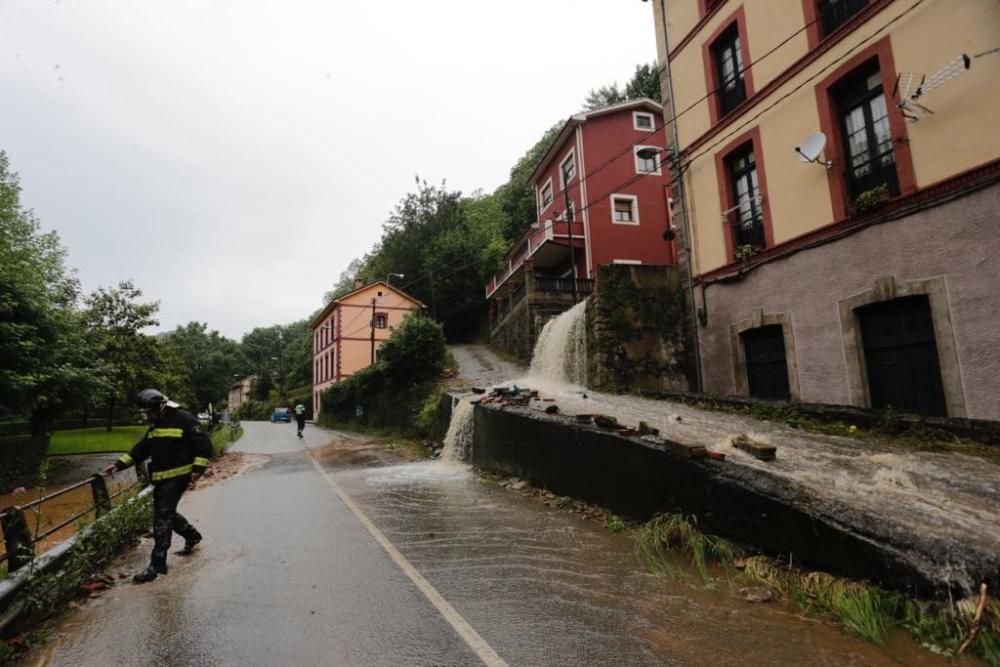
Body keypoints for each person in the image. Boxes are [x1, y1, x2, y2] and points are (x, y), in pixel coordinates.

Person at [104, 389, 212, 584]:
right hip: (161, 477)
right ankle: (192, 535)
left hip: (179, 476)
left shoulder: (184, 420)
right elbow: (142, 449)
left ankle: (157, 565)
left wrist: (198, 470)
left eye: (149, 412)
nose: (147, 416)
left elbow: (204, 445)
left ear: (160, 408)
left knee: (162, 517)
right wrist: (119, 464)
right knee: (167, 513)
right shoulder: (156, 425)